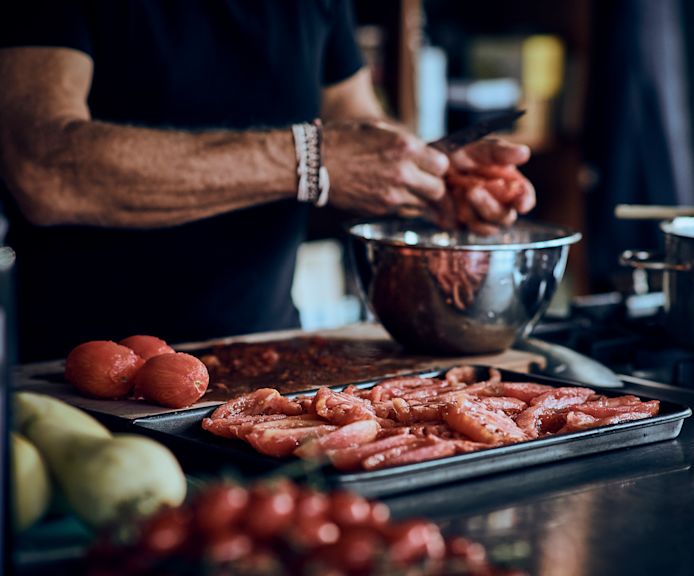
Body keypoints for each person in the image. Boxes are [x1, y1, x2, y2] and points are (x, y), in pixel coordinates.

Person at [0, 0, 535, 362]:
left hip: (266, 353)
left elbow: (357, 121)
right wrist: (304, 158)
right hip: (77, 373)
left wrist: (429, 174)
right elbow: (44, 167)